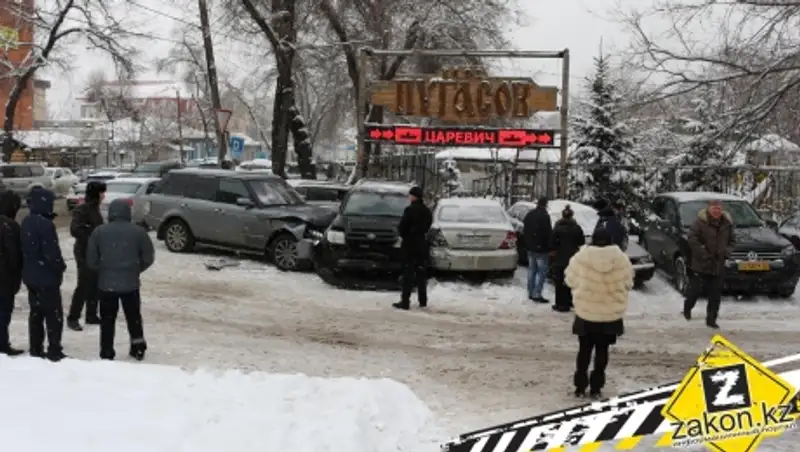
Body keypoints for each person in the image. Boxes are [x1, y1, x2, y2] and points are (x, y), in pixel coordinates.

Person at [566, 228, 633, 398]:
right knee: (602, 351)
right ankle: (596, 387)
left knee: (584, 350)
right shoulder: (621, 259)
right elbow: (628, 284)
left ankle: (580, 387)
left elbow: (569, 280)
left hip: (586, 313)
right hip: (610, 315)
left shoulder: (581, 258)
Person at [87, 198, 155, 360]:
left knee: (107, 320)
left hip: (106, 284)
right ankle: (138, 347)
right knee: (134, 317)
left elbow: (91, 260)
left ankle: (107, 350)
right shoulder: (138, 232)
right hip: (130, 284)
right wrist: (136, 269)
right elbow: (148, 257)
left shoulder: (99, 232)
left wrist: (103, 270)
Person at [20, 187, 67, 361]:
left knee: (36, 312)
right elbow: (51, 253)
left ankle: (36, 347)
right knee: (53, 314)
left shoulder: (26, 221)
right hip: (46, 277)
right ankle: (54, 348)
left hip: (30, 275)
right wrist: (60, 267)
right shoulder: (45, 224)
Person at [683, 199, 734, 329]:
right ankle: (687, 307)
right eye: (714, 208)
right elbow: (692, 239)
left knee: (715, 295)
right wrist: (703, 252)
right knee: (695, 290)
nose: (716, 211)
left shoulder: (727, 223)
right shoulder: (700, 222)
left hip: (718, 265)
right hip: (701, 264)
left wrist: (726, 252)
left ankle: (711, 319)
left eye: (719, 208)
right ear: (709, 209)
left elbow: (732, 241)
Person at [67, 180, 106, 331]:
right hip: (83, 251)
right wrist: (92, 237)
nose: (104, 195)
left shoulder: (95, 208)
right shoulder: (83, 209)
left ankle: (91, 314)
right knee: (83, 284)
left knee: (95, 283)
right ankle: (73, 317)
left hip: (95, 252)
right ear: (96, 193)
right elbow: (75, 230)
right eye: (102, 192)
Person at [393, 186, 432, 311]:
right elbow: (428, 226)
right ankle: (423, 300)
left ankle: (405, 301)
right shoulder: (427, 211)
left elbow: (403, 227)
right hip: (422, 244)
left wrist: (405, 235)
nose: (408, 197)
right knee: (421, 272)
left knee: (408, 273)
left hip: (410, 245)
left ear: (414, 196)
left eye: (410, 195)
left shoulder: (409, 210)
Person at [549, 205, 585, 313]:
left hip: (560, 259)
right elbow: (581, 242)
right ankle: (570, 300)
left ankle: (560, 303)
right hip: (573, 258)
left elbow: (552, 243)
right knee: (571, 280)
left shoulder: (557, 229)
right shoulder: (577, 228)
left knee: (559, 282)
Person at [0, 189, 23, 355]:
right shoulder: (10, 226)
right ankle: (2, 343)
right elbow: (14, 255)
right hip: (5, 277)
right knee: (3, 312)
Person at [523, 196, 552, 303]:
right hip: (541, 249)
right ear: (545, 204)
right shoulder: (545, 216)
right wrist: (549, 247)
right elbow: (548, 233)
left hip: (530, 247)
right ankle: (537, 293)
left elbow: (525, 230)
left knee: (532, 270)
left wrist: (528, 243)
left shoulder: (530, 214)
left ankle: (530, 292)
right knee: (542, 272)